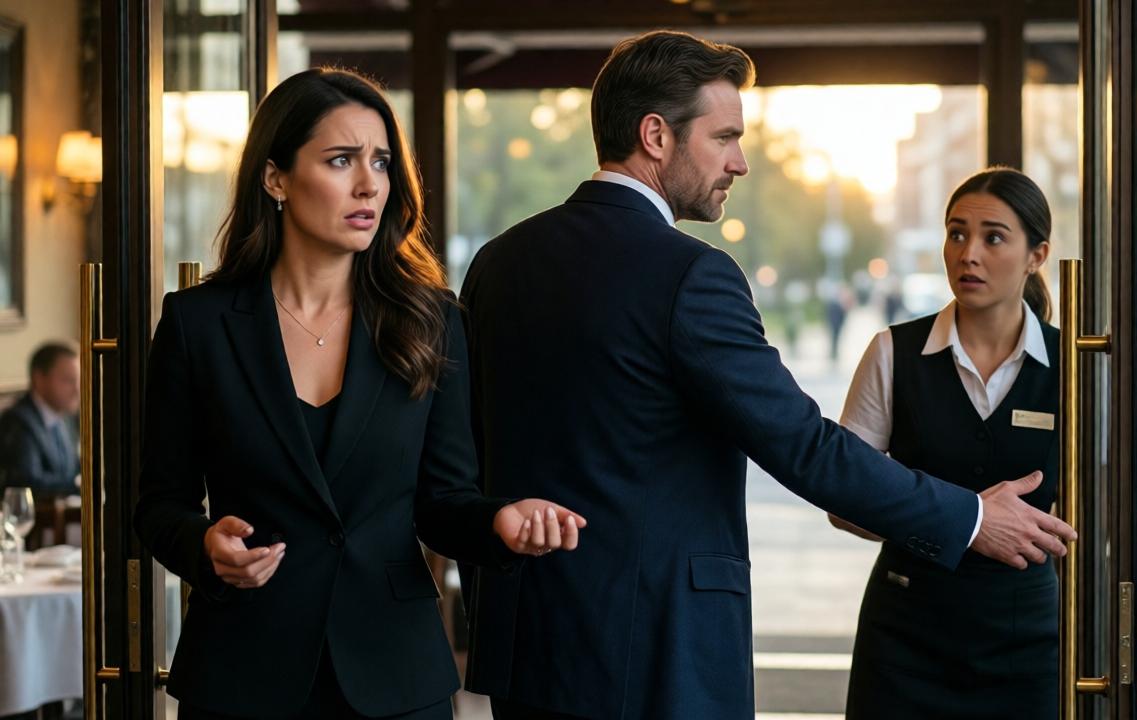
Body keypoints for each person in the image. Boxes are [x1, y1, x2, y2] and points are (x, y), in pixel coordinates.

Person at [460, 32, 1074, 719]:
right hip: (658, 649)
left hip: (527, 641)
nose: (741, 163)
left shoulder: (497, 262)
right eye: (725, 137)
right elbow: (803, 445)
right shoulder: (691, 276)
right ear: (656, 136)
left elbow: (472, 445)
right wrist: (969, 517)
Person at [132, 68, 585, 720]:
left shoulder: (432, 321)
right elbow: (159, 505)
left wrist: (498, 523)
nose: (369, 183)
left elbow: (442, 503)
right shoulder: (197, 324)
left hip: (398, 678)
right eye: (341, 160)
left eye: (380, 161)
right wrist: (204, 546)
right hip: (241, 675)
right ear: (275, 177)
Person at [833, 167, 1060, 718]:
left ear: (1037, 255)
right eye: (956, 234)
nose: (968, 253)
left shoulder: (1076, 365)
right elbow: (844, 498)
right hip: (907, 636)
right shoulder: (892, 352)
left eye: (993, 237)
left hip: (1028, 638)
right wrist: (958, 521)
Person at [0, 342, 80, 497]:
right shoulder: (17, 422)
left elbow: (74, 469)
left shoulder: (67, 417)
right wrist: (77, 485)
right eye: (68, 380)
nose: (77, 389)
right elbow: (27, 482)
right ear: (39, 379)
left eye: (77, 380)